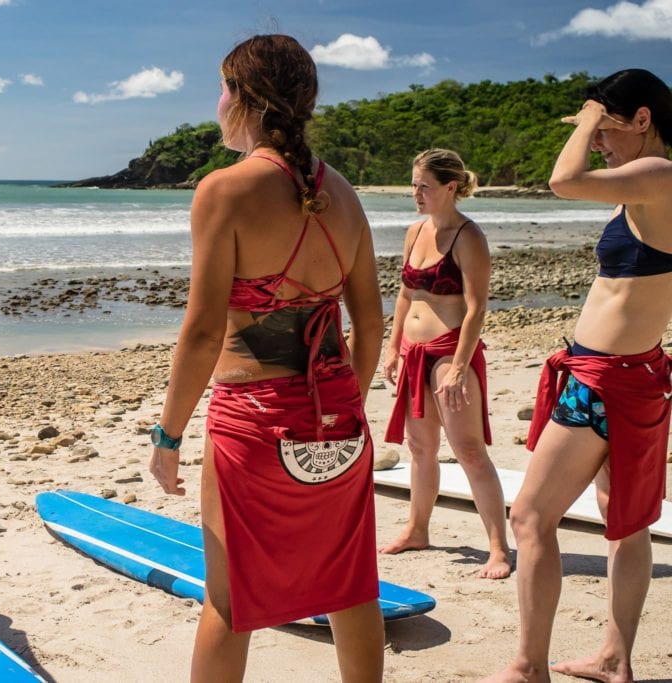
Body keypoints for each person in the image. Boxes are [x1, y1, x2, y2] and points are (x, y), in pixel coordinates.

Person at [148, 35, 385, 682]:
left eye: (223, 87)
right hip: (337, 416)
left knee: (231, 601)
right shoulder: (344, 193)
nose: (217, 100)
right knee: (352, 586)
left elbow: (201, 335)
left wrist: (167, 435)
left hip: (254, 426)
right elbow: (369, 322)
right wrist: (344, 403)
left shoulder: (224, 190)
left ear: (246, 99)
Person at [485, 69, 672, 682]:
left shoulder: (660, 175)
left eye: (608, 129)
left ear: (643, 120)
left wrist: (588, 114)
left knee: (531, 518)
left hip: (605, 381)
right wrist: (597, 120)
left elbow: (562, 181)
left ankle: (528, 666)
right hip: (633, 372)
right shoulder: (644, 187)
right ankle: (616, 658)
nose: (597, 142)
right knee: (625, 519)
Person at [380, 149, 512, 580]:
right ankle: (418, 529)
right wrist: (393, 346)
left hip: (450, 350)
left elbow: (475, 309)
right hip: (414, 353)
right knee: (420, 448)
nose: (416, 193)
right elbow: (405, 295)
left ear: (451, 187)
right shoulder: (415, 230)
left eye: (425, 186)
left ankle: (498, 547)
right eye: (413, 185)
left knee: (469, 450)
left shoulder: (468, 237)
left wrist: (458, 366)